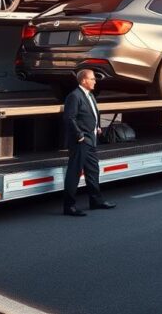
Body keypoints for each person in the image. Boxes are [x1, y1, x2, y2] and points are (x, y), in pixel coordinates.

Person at [62, 69, 116, 216]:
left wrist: (97, 126)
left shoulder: (90, 95)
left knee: (93, 171)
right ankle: (69, 206)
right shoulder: (74, 96)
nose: (95, 81)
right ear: (84, 80)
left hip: (91, 140)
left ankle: (96, 201)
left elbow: (92, 114)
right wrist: (79, 135)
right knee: (74, 173)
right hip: (80, 141)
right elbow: (69, 118)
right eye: (92, 78)